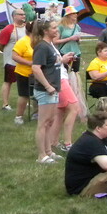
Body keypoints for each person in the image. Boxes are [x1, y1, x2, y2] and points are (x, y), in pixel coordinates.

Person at [31, 19, 75, 164]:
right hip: (46, 90)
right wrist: (48, 86)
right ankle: (41, 155)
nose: (57, 30)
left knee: (50, 122)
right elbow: (36, 68)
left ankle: (49, 151)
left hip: (54, 88)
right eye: (54, 28)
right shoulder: (42, 47)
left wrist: (62, 60)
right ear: (45, 31)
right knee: (43, 123)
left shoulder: (49, 46)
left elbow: (50, 64)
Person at [65, 110, 107, 196]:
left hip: (96, 176)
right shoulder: (91, 142)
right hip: (82, 187)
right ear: (98, 128)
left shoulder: (101, 138)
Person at [0, 6, 27, 111]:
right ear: (14, 16)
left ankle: (24, 101)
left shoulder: (27, 28)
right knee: (8, 81)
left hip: (24, 61)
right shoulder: (8, 29)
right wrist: (7, 53)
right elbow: (0, 44)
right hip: (11, 61)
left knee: (24, 81)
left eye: (24, 14)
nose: (24, 16)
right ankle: (5, 104)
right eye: (21, 14)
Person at [11, 21, 35, 125]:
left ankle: (36, 113)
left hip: (37, 73)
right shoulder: (23, 41)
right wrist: (29, 62)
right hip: (23, 73)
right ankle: (19, 116)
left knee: (37, 95)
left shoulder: (39, 41)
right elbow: (14, 56)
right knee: (24, 95)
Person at [56, 6, 83, 73]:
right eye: (73, 13)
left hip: (76, 52)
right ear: (68, 15)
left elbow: (79, 42)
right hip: (64, 52)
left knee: (75, 73)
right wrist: (70, 38)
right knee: (64, 72)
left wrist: (78, 40)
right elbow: (55, 41)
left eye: (76, 13)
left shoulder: (77, 27)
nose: (76, 15)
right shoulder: (61, 26)